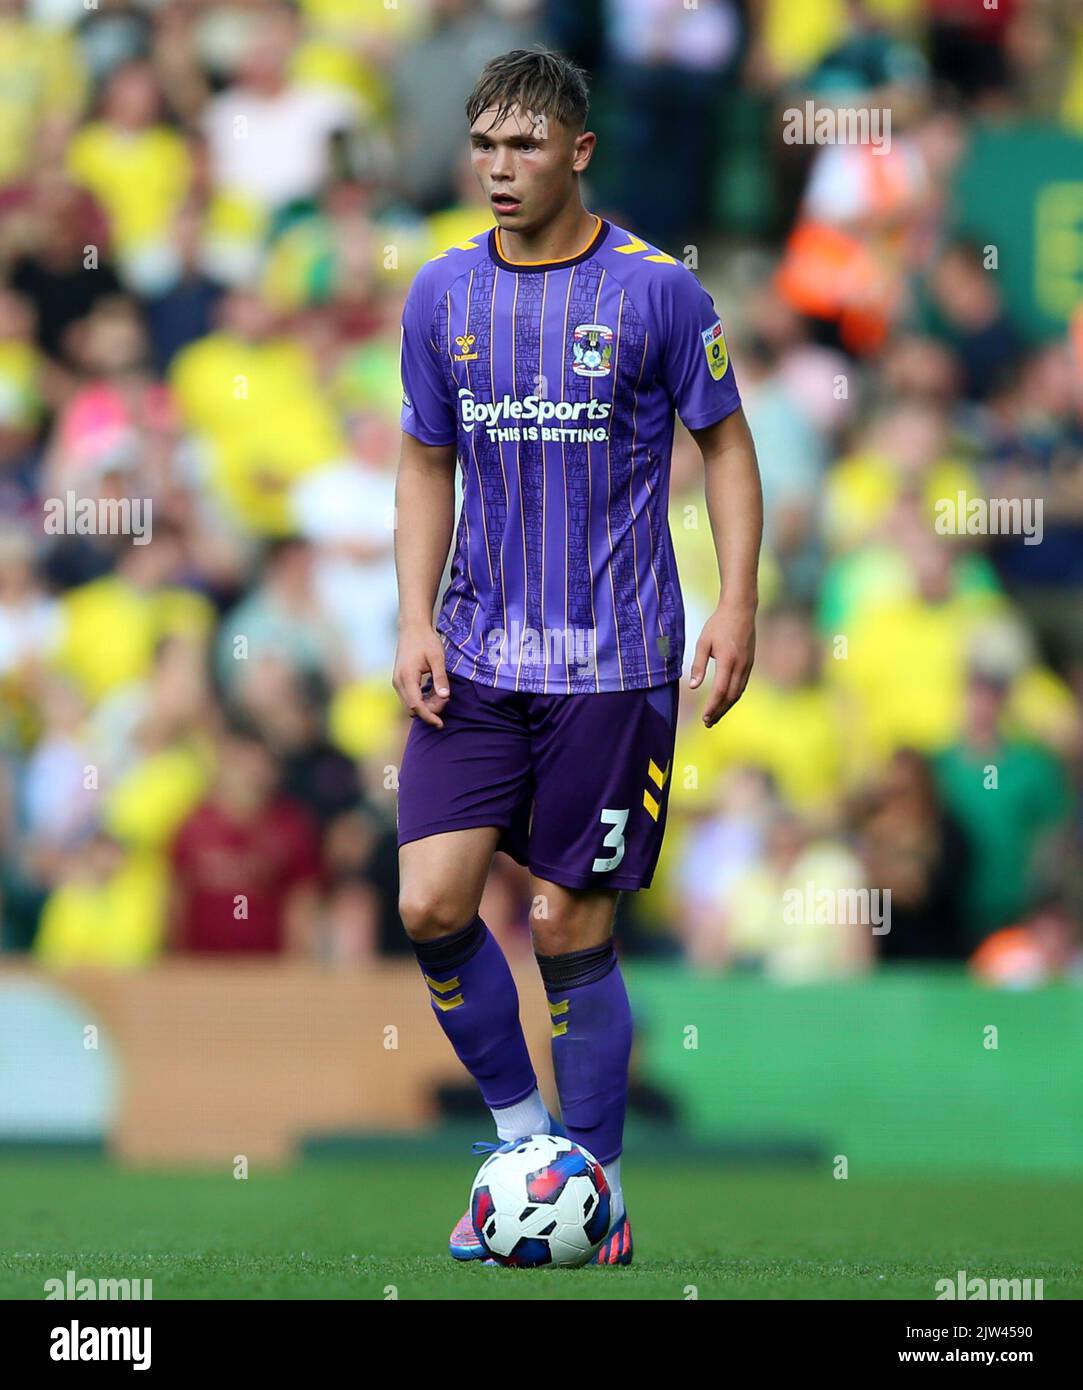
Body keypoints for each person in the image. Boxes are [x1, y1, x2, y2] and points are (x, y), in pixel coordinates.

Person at [391, 48, 762, 1267]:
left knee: (565, 927)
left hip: (613, 664)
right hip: (482, 657)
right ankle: (519, 1148)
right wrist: (413, 615)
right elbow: (423, 459)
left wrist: (739, 600)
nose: (502, 169)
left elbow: (728, 446)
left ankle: (590, 1187)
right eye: (486, 145)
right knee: (431, 900)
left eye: (527, 146)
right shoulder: (441, 297)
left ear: (580, 151)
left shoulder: (659, 294)